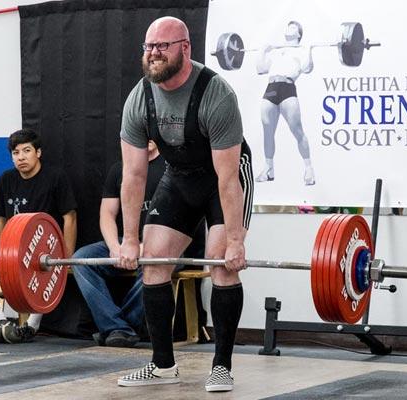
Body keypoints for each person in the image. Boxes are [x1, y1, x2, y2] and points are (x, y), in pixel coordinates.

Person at [115, 16, 253, 392]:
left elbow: (226, 180)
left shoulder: (216, 94)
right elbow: (134, 177)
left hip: (222, 178)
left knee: (221, 265)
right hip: (179, 177)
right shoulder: (139, 98)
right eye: (149, 47)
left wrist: (237, 243)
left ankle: (222, 366)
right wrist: (130, 239)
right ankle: (162, 365)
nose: (153, 54)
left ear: (185, 48)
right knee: (154, 262)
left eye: (162, 46)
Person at [0, 128, 77, 344]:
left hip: (45, 248)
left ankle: (31, 326)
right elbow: (0, 219)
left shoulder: (55, 177)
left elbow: (69, 217)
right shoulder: (6, 179)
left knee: (40, 267)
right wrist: (6, 250)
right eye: (16, 153)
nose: (21, 157)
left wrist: (66, 256)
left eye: (27, 151)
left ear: (38, 153)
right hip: (12, 245)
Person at [72, 140, 165, 348]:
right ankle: (118, 328)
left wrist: (146, 247)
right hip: (127, 241)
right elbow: (107, 213)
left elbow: (182, 216)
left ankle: (118, 328)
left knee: (155, 264)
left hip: (165, 243)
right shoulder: (119, 169)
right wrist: (114, 247)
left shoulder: (171, 167)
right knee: (82, 259)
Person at [255, 21, 316, 185]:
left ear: (298, 34)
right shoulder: (277, 51)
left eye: (293, 27)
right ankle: (269, 169)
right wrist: (262, 51)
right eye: (288, 26)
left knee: (297, 130)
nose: (289, 28)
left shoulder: (301, 50)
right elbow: (260, 69)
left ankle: (309, 168)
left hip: (287, 88)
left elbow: (306, 68)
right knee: (267, 129)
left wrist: (308, 49)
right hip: (271, 87)